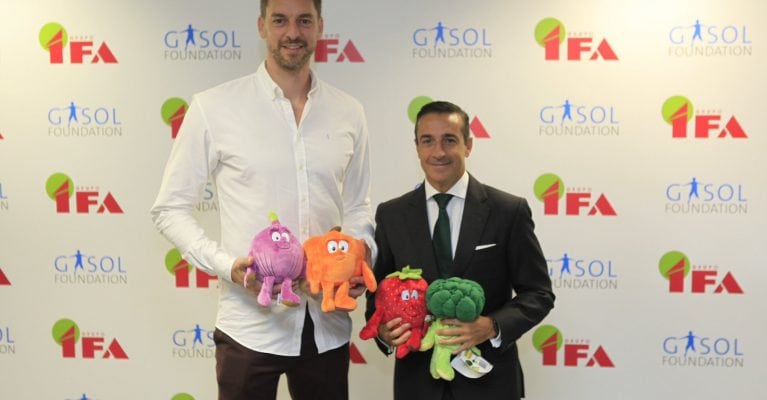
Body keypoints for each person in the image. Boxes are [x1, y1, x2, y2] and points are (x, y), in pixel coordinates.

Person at [150, 0, 375, 398]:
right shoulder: (214, 107)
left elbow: (358, 206)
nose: (293, 33)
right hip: (249, 326)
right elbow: (170, 209)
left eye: (304, 20)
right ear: (261, 25)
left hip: (326, 325)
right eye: (280, 20)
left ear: (320, 26)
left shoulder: (349, 111)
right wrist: (229, 267)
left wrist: (357, 259)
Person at [366, 101, 555, 400]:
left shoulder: (508, 211)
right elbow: (376, 295)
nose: (438, 152)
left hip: (490, 384)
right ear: (417, 148)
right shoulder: (391, 215)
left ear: (468, 145)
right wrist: (384, 332)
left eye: (449, 140)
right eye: (427, 141)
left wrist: (492, 327)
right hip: (417, 385)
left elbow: (538, 293)